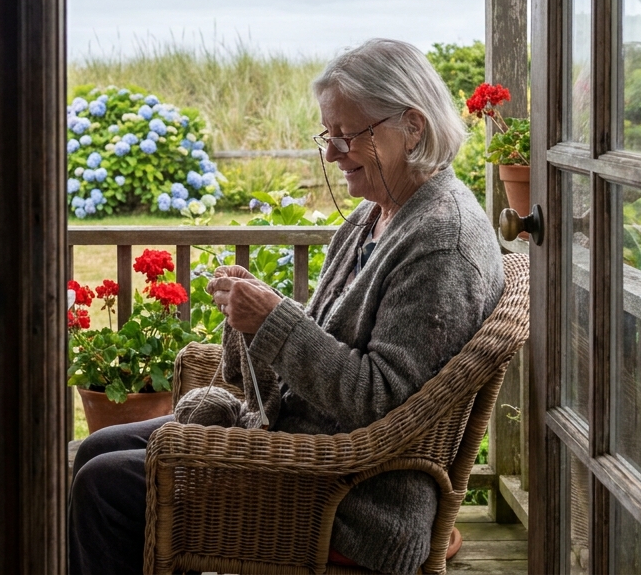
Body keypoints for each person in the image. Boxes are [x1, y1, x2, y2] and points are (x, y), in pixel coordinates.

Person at [68, 38, 505, 575]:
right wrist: (261, 311)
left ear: (412, 126)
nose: (330, 154)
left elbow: (380, 399)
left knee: (104, 485)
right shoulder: (379, 215)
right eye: (329, 135)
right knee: (98, 449)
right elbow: (335, 334)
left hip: (346, 494)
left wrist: (274, 320)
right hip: (302, 449)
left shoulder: (442, 245)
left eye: (347, 136)